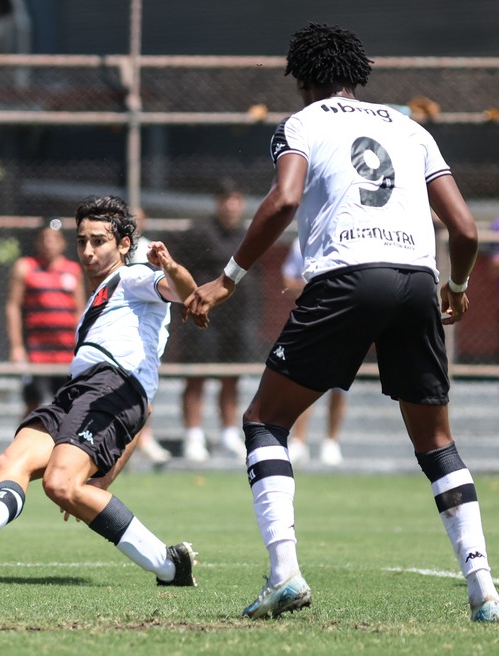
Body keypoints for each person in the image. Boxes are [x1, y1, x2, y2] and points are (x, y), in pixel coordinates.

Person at [184, 23, 499, 622]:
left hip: (348, 277)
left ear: (302, 82)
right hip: (413, 281)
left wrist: (227, 278)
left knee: (265, 419)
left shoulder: (302, 124)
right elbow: (464, 229)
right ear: (359, 75)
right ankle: (483, 585)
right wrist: (454, 287)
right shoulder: (413, 128)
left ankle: (284, 575)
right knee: (436, 441)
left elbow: (282, 200)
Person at [0, 196, 202, 587]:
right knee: (13, 459)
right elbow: (141, 418)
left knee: (60, 484)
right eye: (82, 241)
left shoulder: (134, 277)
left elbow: (186, 292)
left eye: (99, 241)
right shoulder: (99, 300)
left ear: (125, 245)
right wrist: (105, 477)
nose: (88, 251)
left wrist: (171, 267)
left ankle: (169, 566)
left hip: (112, 386)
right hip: (81, 390)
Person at [176, 179, 254, 462]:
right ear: (217, 202)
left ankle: (229, 434)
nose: (231, 205)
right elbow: (180, 274)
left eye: (236, 199)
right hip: (203, 318)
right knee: (196, 376)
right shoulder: (199, 233)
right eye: (226, 199)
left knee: (231, 378)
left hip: (238, 320)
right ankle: (193, 436)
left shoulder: (249, 234)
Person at [5, 223, 86, 416]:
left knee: (69, 407)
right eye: (44, 238)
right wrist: (16, 347)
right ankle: (25, 445)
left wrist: (82, 346)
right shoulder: (26, 268)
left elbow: (80, 310)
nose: (49, 243)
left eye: (54, 238)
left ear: (63, 243)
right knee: (34, 405)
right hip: (37, 354)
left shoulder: (73, 270)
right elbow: (13, 306)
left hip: (67, 354)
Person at [280, 239, 346, 466]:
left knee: (339, 386)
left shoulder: (350, 237)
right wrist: (321, 286)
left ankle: (331, 443)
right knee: (302, 382)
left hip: (344, 323)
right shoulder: (302, 242)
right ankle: (299, 441)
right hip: (310, 324)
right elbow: (288, 280)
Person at [128, 208, 173, 464]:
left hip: (148, 331)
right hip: (122, 330)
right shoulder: (114, 254)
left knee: (144, 385)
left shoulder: (151, 252)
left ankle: (144, 437)